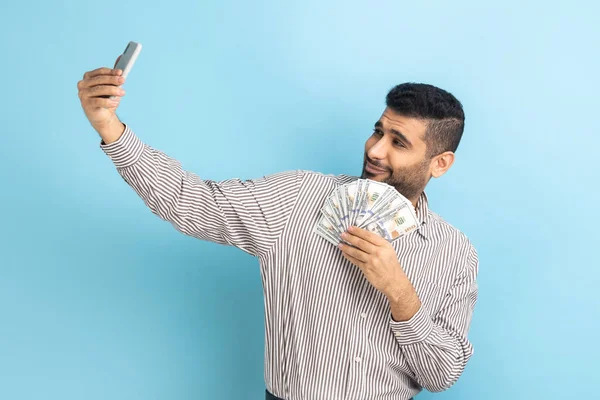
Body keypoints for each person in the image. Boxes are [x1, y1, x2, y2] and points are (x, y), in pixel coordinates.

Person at [77, 59, 479, 400]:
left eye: (398, 142)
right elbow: (192, 200)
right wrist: (111, 128)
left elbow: (441, 375)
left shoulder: (456, 253)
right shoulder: (298, 197)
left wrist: (401, 293)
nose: (374, 149)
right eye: (378, 131)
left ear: (439, 164)